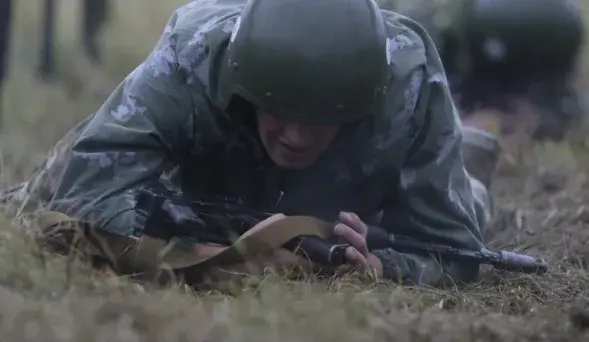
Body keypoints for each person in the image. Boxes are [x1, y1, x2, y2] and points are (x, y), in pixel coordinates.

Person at [1, 0, 495, 287]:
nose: (297, 136)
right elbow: (85, 195)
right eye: (281, 111)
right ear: (244, 87)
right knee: (39, 190)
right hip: (210, 186)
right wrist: (221, 257)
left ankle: (465, 159)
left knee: (466, 200)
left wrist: (386, 265)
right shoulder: (190, 57)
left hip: (354, 196)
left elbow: (456, 251)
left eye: (323, 120)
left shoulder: (408, 82)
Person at [382, 0, 585, 179]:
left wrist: (535, 119)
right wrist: (455, 124)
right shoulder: (413, 48)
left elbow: (565, 105)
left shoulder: (553, 29)